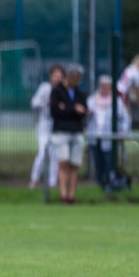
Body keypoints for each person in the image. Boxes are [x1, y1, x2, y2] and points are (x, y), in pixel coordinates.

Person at [49, 65, 88, 204]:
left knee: (75, 164)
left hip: (76, 132)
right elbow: (55, 112)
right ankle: (63, 194)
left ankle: (71, 195)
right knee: (63, 162)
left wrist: (66, 108)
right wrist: (73, 109)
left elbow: (83, 112)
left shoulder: (80, 94)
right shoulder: (57, 91)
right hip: (61, 132)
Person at [87, 75, 131, 191]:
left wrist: (122, 132)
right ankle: (100, 184)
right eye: (102, 85)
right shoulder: (92, 100)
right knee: (98, 162)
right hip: (95, 137)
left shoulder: (117, 102)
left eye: (107, 86)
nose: (105, 88)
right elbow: (85, 118)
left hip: (111, 139)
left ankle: (110, 184)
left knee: (109, 163)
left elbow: (125, 119)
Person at [28, 64, 64, 190]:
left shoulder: (63, 90)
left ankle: (52, 183)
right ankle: (34, 179)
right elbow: (34, 102)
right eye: (55, 76)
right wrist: (45, 102)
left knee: (55, 155)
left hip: (57, 125)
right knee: (43, 153)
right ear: (51, 77)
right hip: (44, 124)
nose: (57, 78)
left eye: (59, 76)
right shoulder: (44, 88)